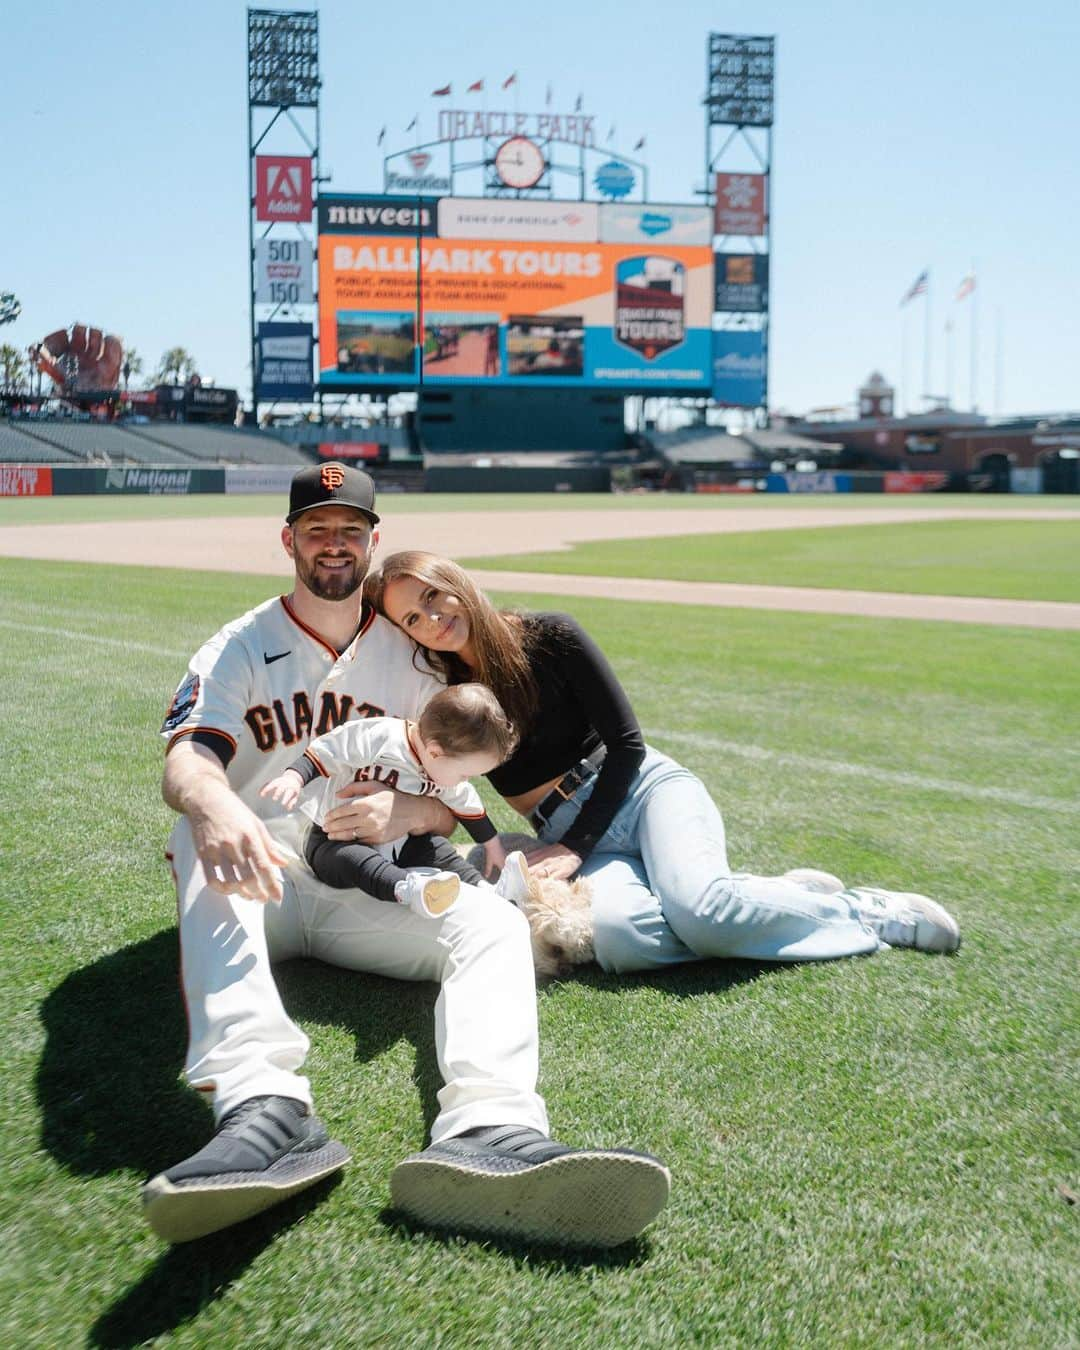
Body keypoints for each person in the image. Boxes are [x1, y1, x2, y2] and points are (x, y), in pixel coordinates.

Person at [143, 463, 670, 1249]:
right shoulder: (240, 648)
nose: (333, 544)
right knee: (198, 832)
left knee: (490, 924)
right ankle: (265, 1107)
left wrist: (419, 808)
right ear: (288, 539)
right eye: (316, 529)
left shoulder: (417, 658)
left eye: (349, 530)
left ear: (372, 540)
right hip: (272, 882)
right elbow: (188, 759)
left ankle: (491, 1131)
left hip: (373, 890)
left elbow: (458, 791)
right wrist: (217, 805)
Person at [370, 552, 962, 976]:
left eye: (431, 596)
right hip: (565, 831)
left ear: (454, 582)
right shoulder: (444, 697)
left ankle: (862, 911)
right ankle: (764, 898)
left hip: (642, 791)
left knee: (701, 914)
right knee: (623, 940)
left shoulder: (551, 635)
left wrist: (576, 843)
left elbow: (627, 745)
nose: (432, 618)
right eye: (412, 619)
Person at [259, 683, 530, 917]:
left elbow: (468, 807)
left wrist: (494, 849)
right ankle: (408, 890)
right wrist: (294, 777)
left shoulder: (442, 768)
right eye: (465, 773)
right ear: (435, 752)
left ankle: (489, 891)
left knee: (437, 847)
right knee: (354, 858)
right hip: (333, 839)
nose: (466, 780)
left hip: (398, 843)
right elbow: (330, 748)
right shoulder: (382, 737)